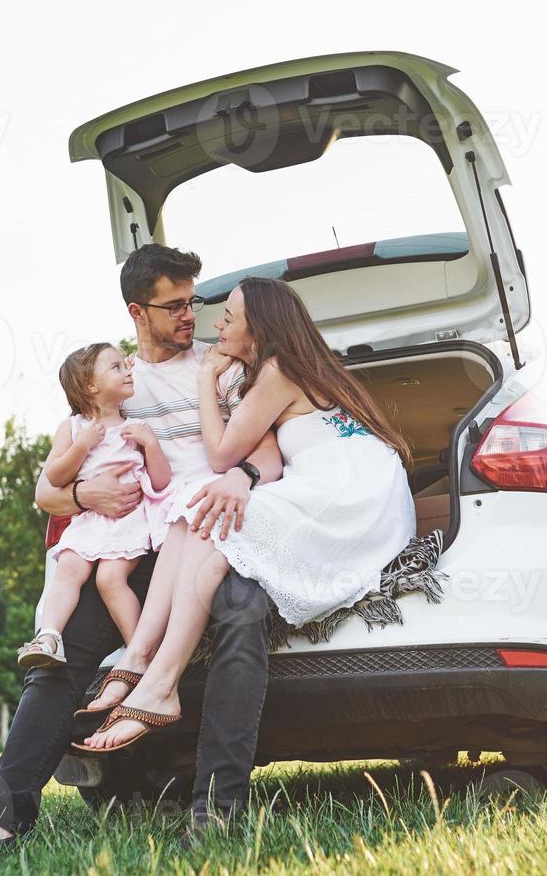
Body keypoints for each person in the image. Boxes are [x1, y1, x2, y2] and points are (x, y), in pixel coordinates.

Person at [0, 245, 283, 854]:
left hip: (211, 534)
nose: (191, 315)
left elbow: (262, 453)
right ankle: (3, 815)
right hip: (133, 546)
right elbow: (48, 490)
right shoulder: (113, 382)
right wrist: (83, 492)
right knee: (63, 650)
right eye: (174, 305)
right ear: (137, 311)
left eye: (195, 301)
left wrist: (243, 478)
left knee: (245, 613)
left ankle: (217, 812)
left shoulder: (224, 368)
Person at [75, 276, 414, 754]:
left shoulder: (277, 370)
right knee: (194, 514)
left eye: (229, 318)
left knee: (210, 523)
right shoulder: (292, 365)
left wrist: (204, 381)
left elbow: (220, 455)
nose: (217, 324)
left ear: (259, 329)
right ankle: (139, 662)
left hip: (346, 494)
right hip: (357, 486)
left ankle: (159, 683)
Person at [15, 342, 171, 668]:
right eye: (116, 367)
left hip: (128, 521)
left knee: (109, 580)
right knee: (68, 569)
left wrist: (152, 445)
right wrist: (81, 448)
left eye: (125, 366)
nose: (127, 371)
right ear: (91, 386)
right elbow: (54, 477)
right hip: (90, 521)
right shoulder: (73, 428)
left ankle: (140, 654)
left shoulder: (136, 427)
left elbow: (160, 482)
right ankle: (50, 636)